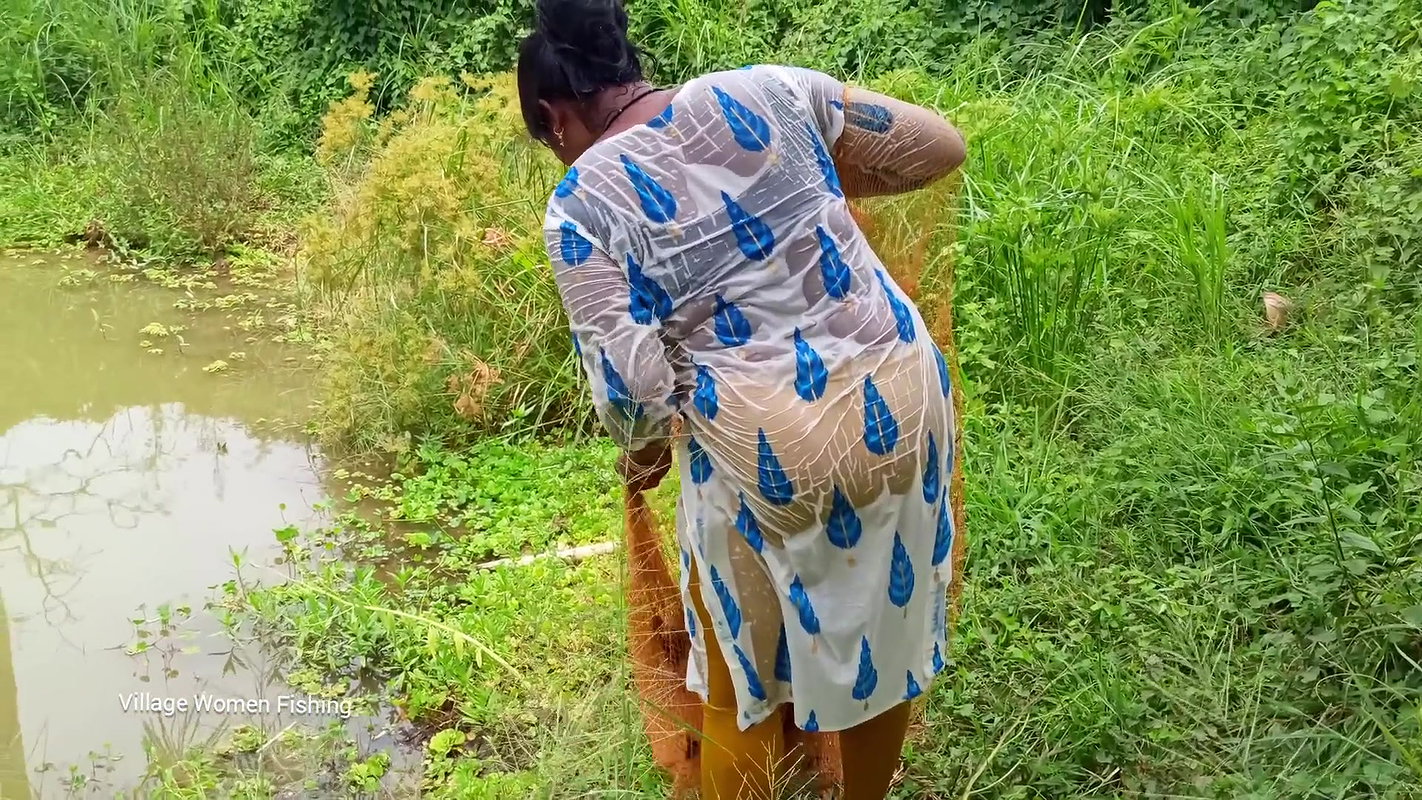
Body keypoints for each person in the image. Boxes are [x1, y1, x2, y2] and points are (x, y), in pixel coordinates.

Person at [518, 1, 966, 797]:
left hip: (769, 454)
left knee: (738, 694)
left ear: (556, 120)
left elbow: (635, 398)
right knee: (885, 652)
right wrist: (804, 178)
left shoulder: (582, 204)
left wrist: (645, 455)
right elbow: (937, 147)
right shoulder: (765, 89)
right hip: (904, 398)